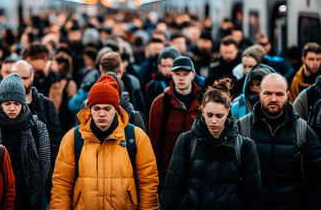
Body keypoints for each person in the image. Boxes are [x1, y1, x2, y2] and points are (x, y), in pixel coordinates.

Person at [51, 75, 159, 209]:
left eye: (107, 108)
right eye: (96, 108)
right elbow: (61, 185)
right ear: (89, 109)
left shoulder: (136, 137)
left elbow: (148, 183)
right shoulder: (73, 138)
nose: (101, 114)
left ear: (116, 109)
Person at [161, 78, 262, 209]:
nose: (214, 121)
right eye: (209, 115)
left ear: (227, 111)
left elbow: (253, 196)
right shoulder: (186, 141)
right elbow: (172, 189)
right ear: (202, 111)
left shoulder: (245, 146)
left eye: (219, 116)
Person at [237, 73, 321, 209]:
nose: (273, 99)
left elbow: (317, 176)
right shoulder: (242, 127)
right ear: (259, 93)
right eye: (268, 93)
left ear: (287, 95)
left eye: (279, 94)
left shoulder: (302, 130)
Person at [0, 73, 51, 209]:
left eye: (17, 104)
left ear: (23, 104)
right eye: (7, 103)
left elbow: (44, 165)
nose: (12, 108)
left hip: (27, 194)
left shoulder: (37, 127)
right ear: (0, 103)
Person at [149, 56, 203, 190]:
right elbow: (154, 145)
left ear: (193, 75)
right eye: (178, 74)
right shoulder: (159, 104)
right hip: (170, 175)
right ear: (171, 75)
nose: (181, 78)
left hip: (200, 174)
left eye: (185, 74)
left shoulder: (204, 102)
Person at [11, 60, 63, 169]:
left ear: (32, 77)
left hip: (41, 168)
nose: (20, 82)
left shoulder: (46, 105)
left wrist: (51, 169)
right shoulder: (1, 106)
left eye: (24, 78)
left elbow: (55, 140)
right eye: (17, 78)